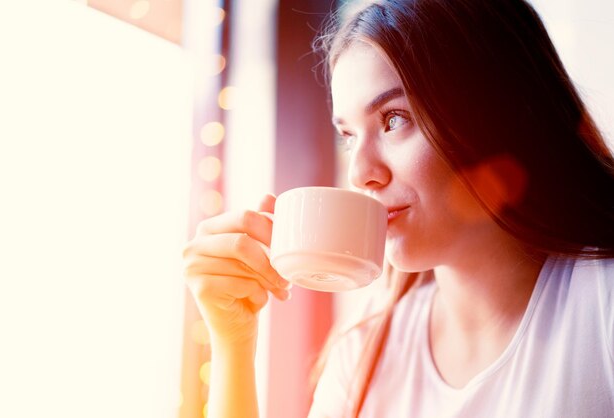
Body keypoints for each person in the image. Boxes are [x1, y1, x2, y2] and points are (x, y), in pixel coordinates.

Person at [182, 0, 614, 417]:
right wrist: (233, 345)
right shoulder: (366, 353)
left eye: (393, 119)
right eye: (348, 135)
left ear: (495, 112)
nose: (360, 173)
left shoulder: (600, 305)